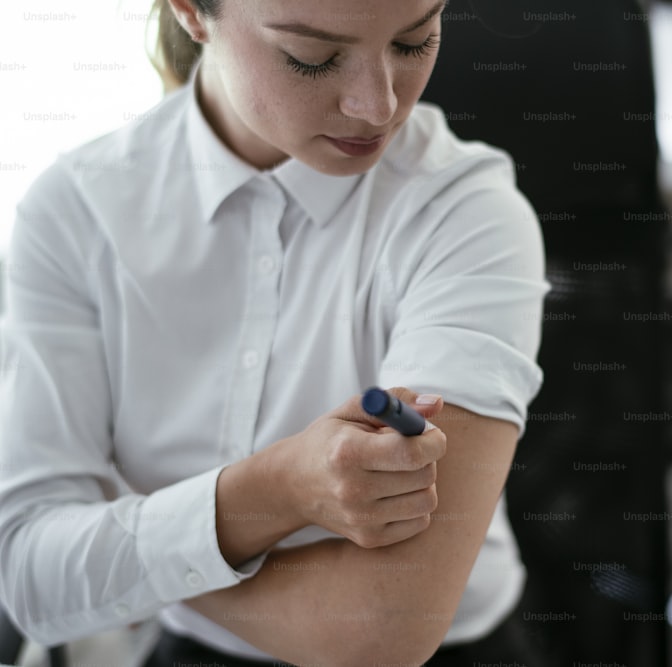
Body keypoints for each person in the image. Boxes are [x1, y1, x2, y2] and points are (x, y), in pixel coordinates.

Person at [0, 0, 548, 665]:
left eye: (413, 42)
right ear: (192, 13)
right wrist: (281, 485)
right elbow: (26, 568)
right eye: (311, 57)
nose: (378, 105)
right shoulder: (76, 211)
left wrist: (132, 547)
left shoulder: (468, 213)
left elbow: (381, 628)